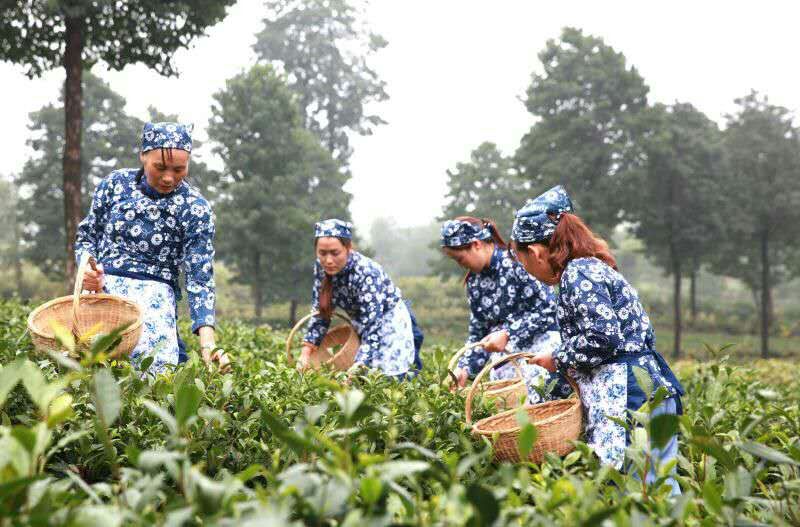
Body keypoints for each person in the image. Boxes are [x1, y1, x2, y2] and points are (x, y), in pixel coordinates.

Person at [510, 185, 683, 493]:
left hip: (630, 396)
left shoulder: (578, 274)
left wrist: (558, 358)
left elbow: (603, 337)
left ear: (535, 252)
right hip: (649, 387)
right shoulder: (591, 267)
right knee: (659, 490)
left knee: (642, 492)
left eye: (523, 261)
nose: (528, 270)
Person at [74, 122, 229, 373]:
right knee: (88, 377)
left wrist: (208, 345)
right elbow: (87, 237)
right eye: (160, 167)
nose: (169, 178)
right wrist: (88, 270)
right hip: (103, 295)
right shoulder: (114, 185)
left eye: (179, 169)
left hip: (154, 304)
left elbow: (200, 279)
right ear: (143, 156)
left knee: (150, 381)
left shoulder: (195, 208)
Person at [440, 217, 570, 403]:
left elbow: (548, 309)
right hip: (506, 360)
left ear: (476, 244)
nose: (461, 265)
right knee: (508, 413)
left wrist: (509, 334)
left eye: (460, 258)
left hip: (541, 350)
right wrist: (465, 367)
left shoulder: (517, 262)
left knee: (541, 409)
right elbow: (479, 331)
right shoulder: (475, 283)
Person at [299, 219, 423, 378]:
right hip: (361, 323)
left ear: (348, 248)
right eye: (322, 253)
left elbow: (372, 325)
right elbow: (321, 312)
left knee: (388, 378)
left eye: (335, 253)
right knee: (362, 379)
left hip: (388, 323)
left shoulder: (365, 272)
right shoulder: (320, 267)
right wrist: (306, 353)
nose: (328, 260)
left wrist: (360, 364)